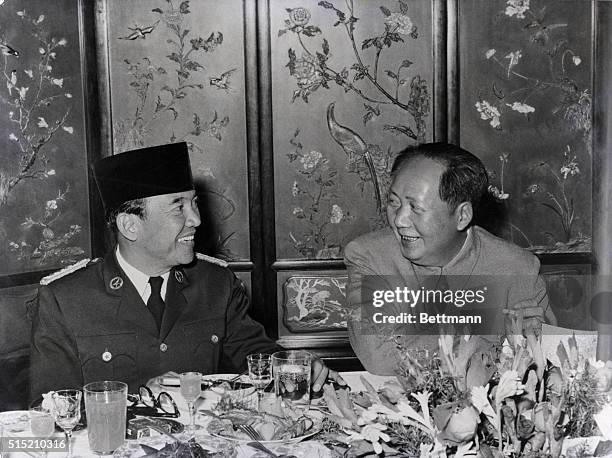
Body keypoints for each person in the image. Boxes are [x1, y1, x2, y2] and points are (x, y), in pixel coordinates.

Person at [30, 142, 342, 399]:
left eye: (193, 203)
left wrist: (288, 365)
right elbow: (52, 411)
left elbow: (253, 354)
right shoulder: (65, 300)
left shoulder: (216, 284)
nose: (196, 219)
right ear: (130, 225)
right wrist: (138, 399)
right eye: (179, 207)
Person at [344, 142, 556, 375]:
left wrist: (538, 335)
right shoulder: (369, 256)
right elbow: (380, 356)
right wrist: (496, 339)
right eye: (394, 202)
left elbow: (544, 359)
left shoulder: (518, 267)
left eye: (415, 207)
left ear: (462, 215)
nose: (399, 220)